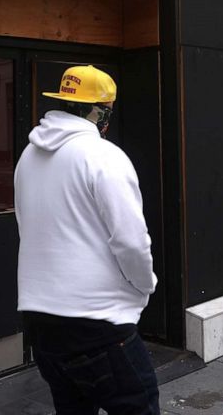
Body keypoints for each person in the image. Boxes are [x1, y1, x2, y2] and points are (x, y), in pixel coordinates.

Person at [15, 65, 159, 414]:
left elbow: (27, 226)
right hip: (97, 322)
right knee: (139, 405)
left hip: (41, 321)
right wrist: (145, 286)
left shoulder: (28, 156)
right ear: (101, 111)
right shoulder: (103, 156)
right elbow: (131, 241)